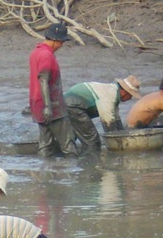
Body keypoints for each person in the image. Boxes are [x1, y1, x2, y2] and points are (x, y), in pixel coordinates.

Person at [29, 22, 81, 158]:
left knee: (45, 144)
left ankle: (46, 174)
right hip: (52, 106)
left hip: (37, 104)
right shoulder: (47, 55)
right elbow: (43, 80)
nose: (61, 46)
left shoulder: (36, 52)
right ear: (56, 40)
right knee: (68, 143)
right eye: (62, 42)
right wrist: (48, 107)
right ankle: (72, 174)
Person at [64, 75, 141, 150]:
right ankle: (90, 160)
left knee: (72, 138)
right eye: (131, 95)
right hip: (73, 105)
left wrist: (124, 136)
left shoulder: (114, 94)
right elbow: (108, 124)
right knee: (93, 141)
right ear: (125, 92)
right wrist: (118, 145)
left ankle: (68, 156)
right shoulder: (110, 95)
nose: (131, 98)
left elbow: (117, 120)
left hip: (70, 103)